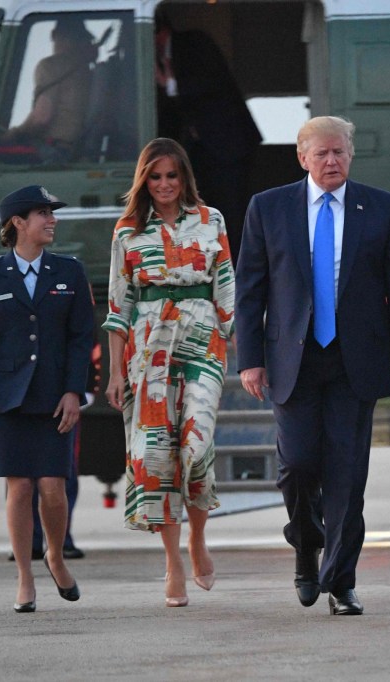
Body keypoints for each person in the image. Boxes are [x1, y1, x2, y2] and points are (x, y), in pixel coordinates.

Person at [235, 116, 390, 616]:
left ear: (351, 155)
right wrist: (249, 359)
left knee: (346, 475)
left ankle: (340, 581)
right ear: (303, 158)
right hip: (292, 359)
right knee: (297, 463)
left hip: (353, 360)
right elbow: (250, 291)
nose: (332, 161)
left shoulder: (378, 206)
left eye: (340, 152)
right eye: (322, 154)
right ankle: (305, 546)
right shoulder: (268, 207)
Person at [102, 138, 235, 608]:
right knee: (158, 457)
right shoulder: (126, 232)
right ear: (144, 180)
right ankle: (173, 560)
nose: (163, 185)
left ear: (184, 178)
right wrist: (116, 373)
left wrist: (247, 349)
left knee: (196, 448)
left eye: (171, 176)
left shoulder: (211, 220)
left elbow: (226, 288)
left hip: (202, 340)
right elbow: (119, 307)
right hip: (147, 349)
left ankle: (199, 539)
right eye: (155, 177)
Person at [0, 185, 94, 613]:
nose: (51, 220)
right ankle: (24, 576)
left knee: (53, 489)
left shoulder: (69, 271)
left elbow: (81, 338)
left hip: (55, 395)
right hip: (8, 398)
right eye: (42, 214)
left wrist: (75, 391)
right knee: (18, 489)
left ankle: (54, 554)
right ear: (17, 223)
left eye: (51, 214)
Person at [153, 12, 262, 263]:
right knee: (203, 209)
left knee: (232, 211)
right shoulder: (161, 59)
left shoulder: (194, 43)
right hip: (197, 150)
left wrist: (169, 83)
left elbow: (212, 82)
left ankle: (240, 268)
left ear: (160, 32)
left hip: (228, 143)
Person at [0, 19, 96, 163]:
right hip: (76, 151)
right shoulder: (87, 71)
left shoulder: (50, 65)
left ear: (53, 35)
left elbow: (41, 118)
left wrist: (12, 135)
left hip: (53, 152)